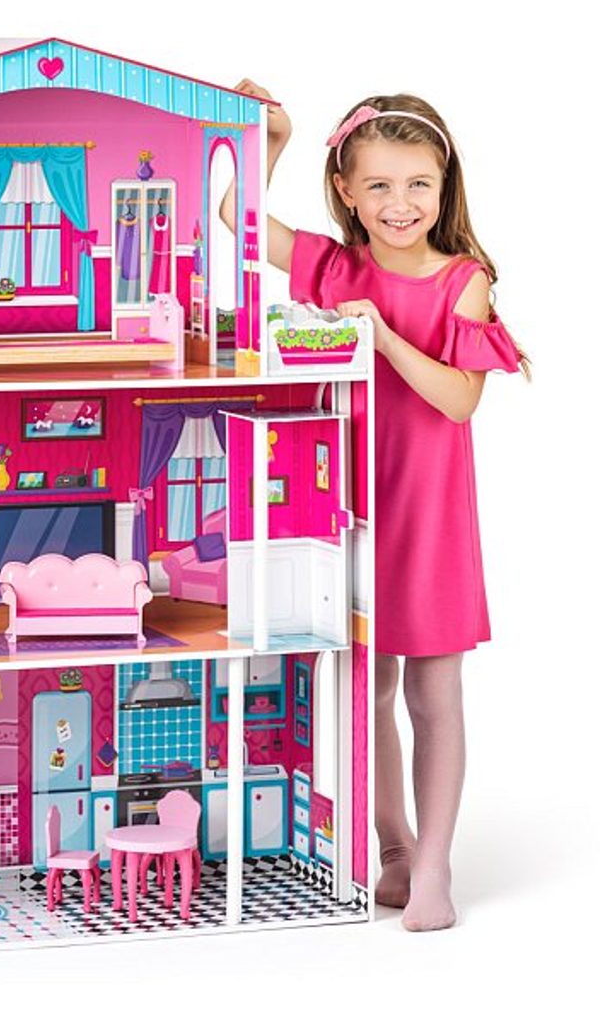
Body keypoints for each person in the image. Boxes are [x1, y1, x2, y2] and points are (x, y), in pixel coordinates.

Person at [222, 83, 528, 931]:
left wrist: (382, 337)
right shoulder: (334, 268)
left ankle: (433, 867)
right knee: (368, 687)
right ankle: (393, 848)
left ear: (444, 185)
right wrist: (270, 142)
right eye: (380, 185)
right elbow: (237, 217)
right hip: (348, 506)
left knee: (433, 691)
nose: (401, 203)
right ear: (347, 191)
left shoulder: (462, 281)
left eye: (418, 183)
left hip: (427, 512)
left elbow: (458, 400)